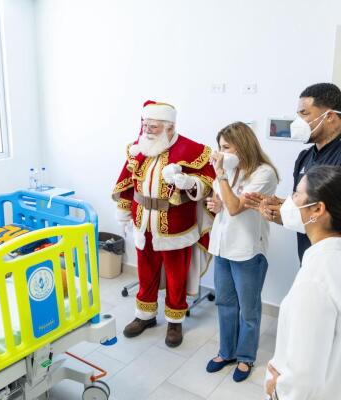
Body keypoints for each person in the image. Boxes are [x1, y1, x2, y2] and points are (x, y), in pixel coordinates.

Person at [112, 100, 215, 347]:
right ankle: (145, 316)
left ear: (170, 127)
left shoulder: (192, 150)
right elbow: (127, 182)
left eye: (153, 127)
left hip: (176, 225)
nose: (147, 130)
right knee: (145, 271)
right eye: (145, 125)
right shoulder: (138, 148)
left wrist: (189, 183)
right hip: (142, 223)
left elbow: (208, 183)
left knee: (176, 276)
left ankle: (174, 321)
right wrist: (123, 212)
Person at [205, 122, 279, 382]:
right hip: (222, 246)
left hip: (248, 251)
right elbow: (224, 205)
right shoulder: (228, 169)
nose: (221, 152)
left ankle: (246, 357)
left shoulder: (264, 174)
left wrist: (221, 176)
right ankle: (226, 352)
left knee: (248, 309)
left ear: (242, 145)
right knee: (225, 302)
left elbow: (235, 208)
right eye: (219, 147)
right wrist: (216, 205)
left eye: (226, 147)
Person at [265, 165, 341, 399]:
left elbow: (303, 376)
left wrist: (278, 390)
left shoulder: (315, 280)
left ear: (317, 209)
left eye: (296, 194)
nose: (289, 201)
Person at [245, 83, 341, 262]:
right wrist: (282, 208)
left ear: (330, 116)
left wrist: (288, 214)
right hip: (307, 255)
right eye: (298, 115)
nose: (298, 122)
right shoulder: (304, 157)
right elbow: (306, 205)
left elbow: (331, 213)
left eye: (305, 113)